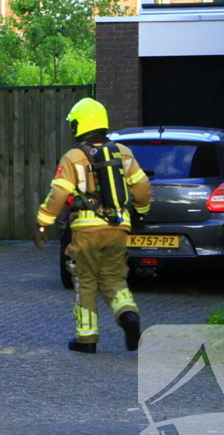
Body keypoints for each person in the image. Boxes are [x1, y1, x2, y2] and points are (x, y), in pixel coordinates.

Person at [35, 98, 151, 354]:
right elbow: (142, 188)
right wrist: (140, 215)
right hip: (119, 228)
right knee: (114, 278)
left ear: (80, 124)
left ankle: (86, 339)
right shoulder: (124, 153)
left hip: (86, 230)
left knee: (86, 280)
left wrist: (43, 223)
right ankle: (128, 314)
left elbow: (57, 195)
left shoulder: (73, 157)